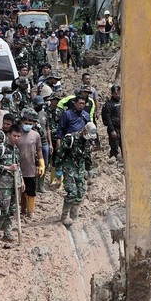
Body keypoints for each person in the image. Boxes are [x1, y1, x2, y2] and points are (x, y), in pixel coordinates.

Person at [55, 97, 94, 226]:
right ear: (84, 131)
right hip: (69, 166)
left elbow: (87, 156)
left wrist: (89, 169)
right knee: (71, 192)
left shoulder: (87, 141)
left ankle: (74, 215)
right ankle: (64, 216)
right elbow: (61, 153)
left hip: (80, 167)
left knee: (81, 192)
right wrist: (58, 169)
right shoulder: (70, 139)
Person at [0, 125, 21, 242]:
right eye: (14, 136)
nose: (16, 138)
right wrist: (8, 168)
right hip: (4, 185)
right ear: (9, 135)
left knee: (12, 211)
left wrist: (21, 180)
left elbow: (18, 167)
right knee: (3, 210)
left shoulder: (16, 149)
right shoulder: (1, 148)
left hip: (16, 183)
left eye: (19, 136)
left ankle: (7, 233)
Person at [18, 108, 46, 217]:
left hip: (30, 167)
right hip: (19, 167)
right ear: (21, 123)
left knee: (31, 190)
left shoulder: (35, 135)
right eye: (26, 123)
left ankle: (31, 211)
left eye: (30, 123)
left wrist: (41, 163)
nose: (28, 125)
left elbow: (39, 150)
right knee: (21, 191)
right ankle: (22, 210)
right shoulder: (17, 134)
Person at [33, 96, 52, 193]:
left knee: (44, 164)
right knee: (34, 164)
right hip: (34, 143)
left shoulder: (44, 114)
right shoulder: (30, 114)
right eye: (39, 105)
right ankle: (34, 185)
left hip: (44, 143)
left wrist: (50, 143)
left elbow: (48, 128)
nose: (41, 106)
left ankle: (41, 185)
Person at [102, 84, 122, 158]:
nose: (118, 95)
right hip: (114, 128)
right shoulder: (109, 104)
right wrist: (112, 130)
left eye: (119, 93)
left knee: (124, 146)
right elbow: (107, 118)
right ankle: (113, 162)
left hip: (122, 128)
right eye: (116, 93)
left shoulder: (122, 102)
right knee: (114, 147)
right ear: (112, 93)